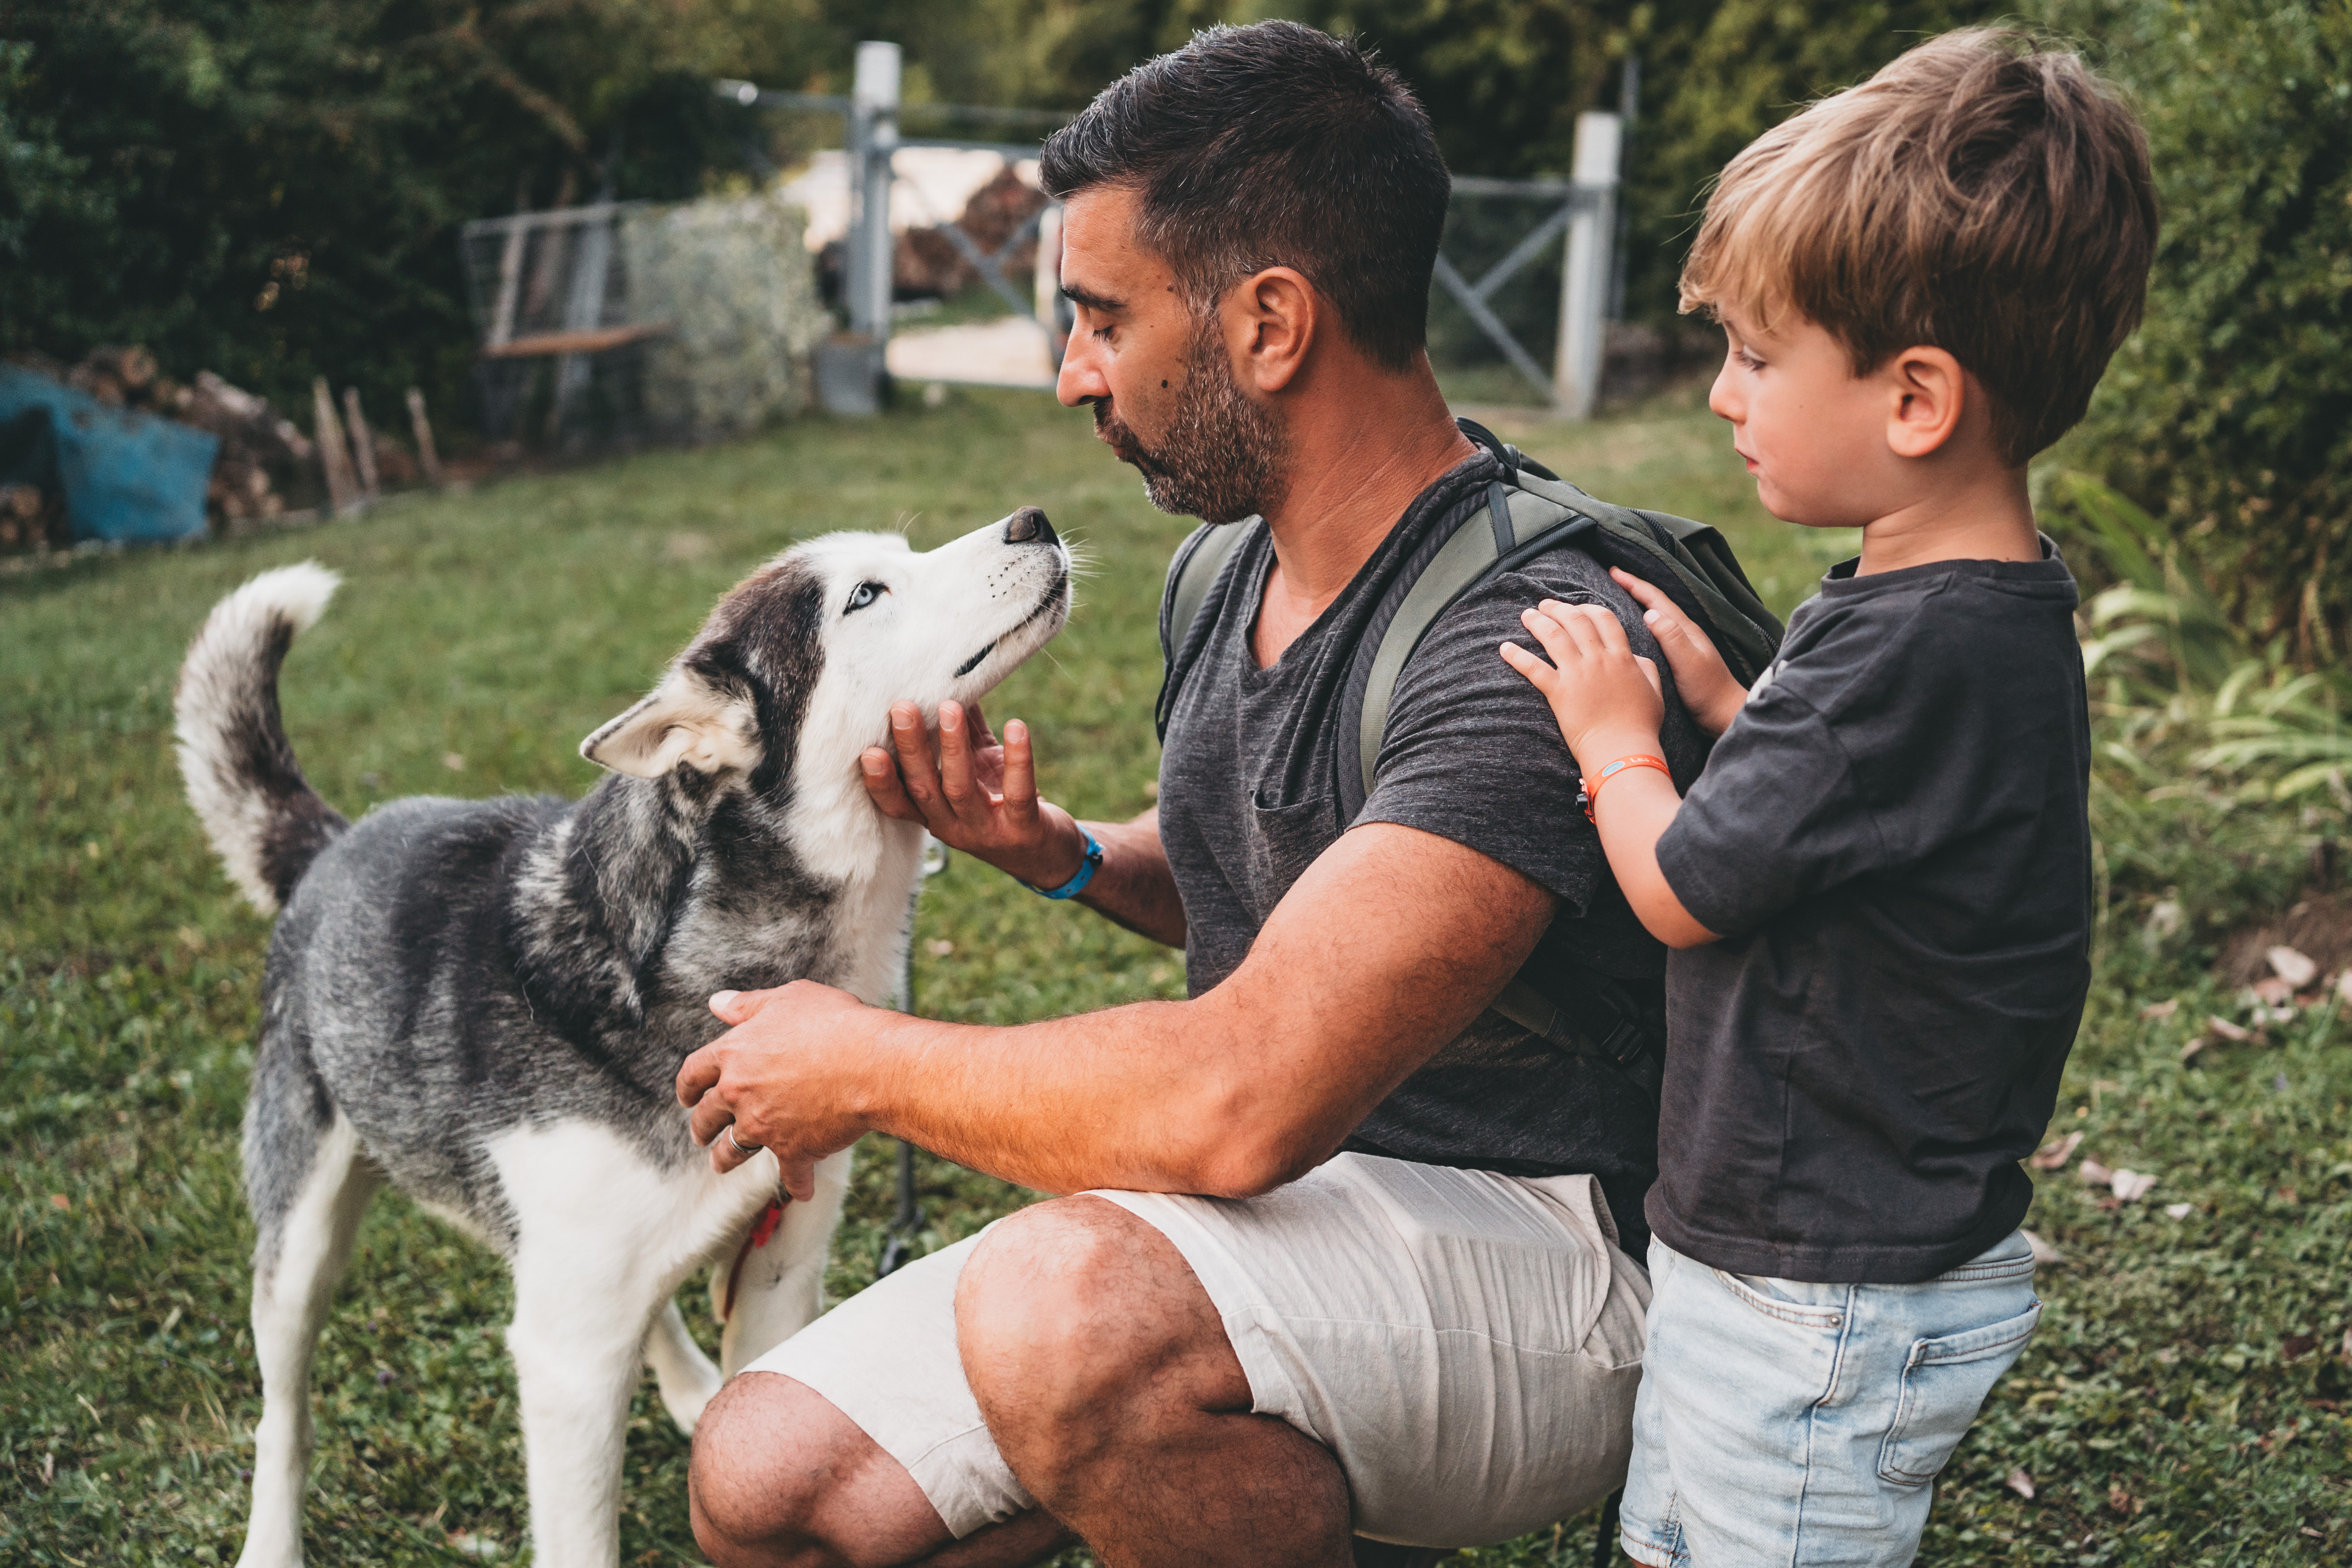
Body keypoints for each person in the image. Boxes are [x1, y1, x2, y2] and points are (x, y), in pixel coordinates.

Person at [679, 20, 1708, 1568]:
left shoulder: (1527, 641)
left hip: (1558, 1250)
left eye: (1099, 317)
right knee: (769, 1483)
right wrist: (1069, 856)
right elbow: (1309, 898)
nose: (1068, 374)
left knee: (1064, 1319)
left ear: (1270, 323)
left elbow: (1242, 1097)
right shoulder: (1223, 567)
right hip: (1310, 1200)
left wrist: (865, 1063)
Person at [1498, 30, 2157, 1568]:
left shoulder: (1912, 645)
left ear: (1915, 398)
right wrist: (1732, 706)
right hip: (1822, 1257)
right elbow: (1858, 815)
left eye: (1754, 353)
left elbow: (1676, 883)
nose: (1724, 395)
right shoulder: (1964, 606)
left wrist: (1617, 739)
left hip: (1825, 1290)